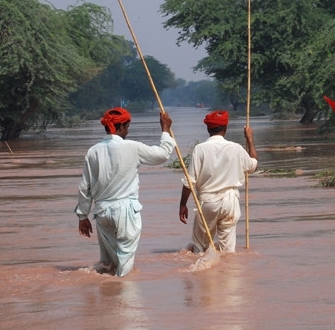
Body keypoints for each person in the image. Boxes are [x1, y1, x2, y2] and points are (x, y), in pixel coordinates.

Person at [76, 107, 175, 276]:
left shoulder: (93, 151)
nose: (128, 131)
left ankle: (110, 295)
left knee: (110, 262)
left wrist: (83, 216)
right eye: (127, 127)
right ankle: (124, 294)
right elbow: (162, 155)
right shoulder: (132, 147)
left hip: (102, 213)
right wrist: (165, 130)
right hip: (125, 211)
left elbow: (85, 187)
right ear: (120, 127)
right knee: (125, 265)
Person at [178, 110, 257, 253]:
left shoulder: (200, 149)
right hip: (230, 202)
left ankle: (202, 272)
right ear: (225, 129)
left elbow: (190, 181)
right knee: (228, 251)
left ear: (208, 129)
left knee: (200, 247)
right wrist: (250, 139)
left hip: (208, 202)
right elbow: (253, 165)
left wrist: (183, 204)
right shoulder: (236, 148)